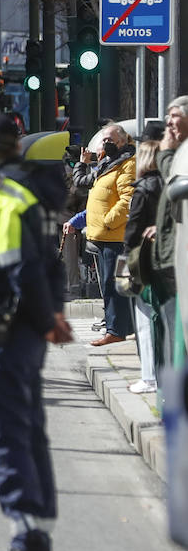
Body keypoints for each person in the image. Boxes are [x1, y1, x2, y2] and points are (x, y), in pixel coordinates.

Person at [0, 112, 73, 551]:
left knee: (3, 431)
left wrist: (47, 316)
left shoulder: (2, 195)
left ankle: (26, 535)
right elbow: (49, 264)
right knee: (29, 428)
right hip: (28, 329)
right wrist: (53, 316)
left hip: (5, 325)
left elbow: (18, 267)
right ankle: (38, 530)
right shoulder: (37, 193)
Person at [81, 122, 136, 346]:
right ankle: (119, 327)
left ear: (123, 142)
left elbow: (127, 198)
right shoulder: (108, 162)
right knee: (110, 284)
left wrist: (108, 222)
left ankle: (116, 330)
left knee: (113, 284)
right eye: (104, 140)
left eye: (110, 140)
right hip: (103, 235)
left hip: (113, 235)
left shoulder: (127, 163)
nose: (106, 143)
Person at [145, 96, 188, 372]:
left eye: (175, 116)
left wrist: (165, 152)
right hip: (170, 257)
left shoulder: (179, 157)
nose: (169, 124)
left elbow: (176, 183)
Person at [123, 129, 164, 394]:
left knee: (144, 318)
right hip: (162, 258)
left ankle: (149, 376)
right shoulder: (166, 182)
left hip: (143, 260)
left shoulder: (145, 188)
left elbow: (132, 229)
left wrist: (126, 259)